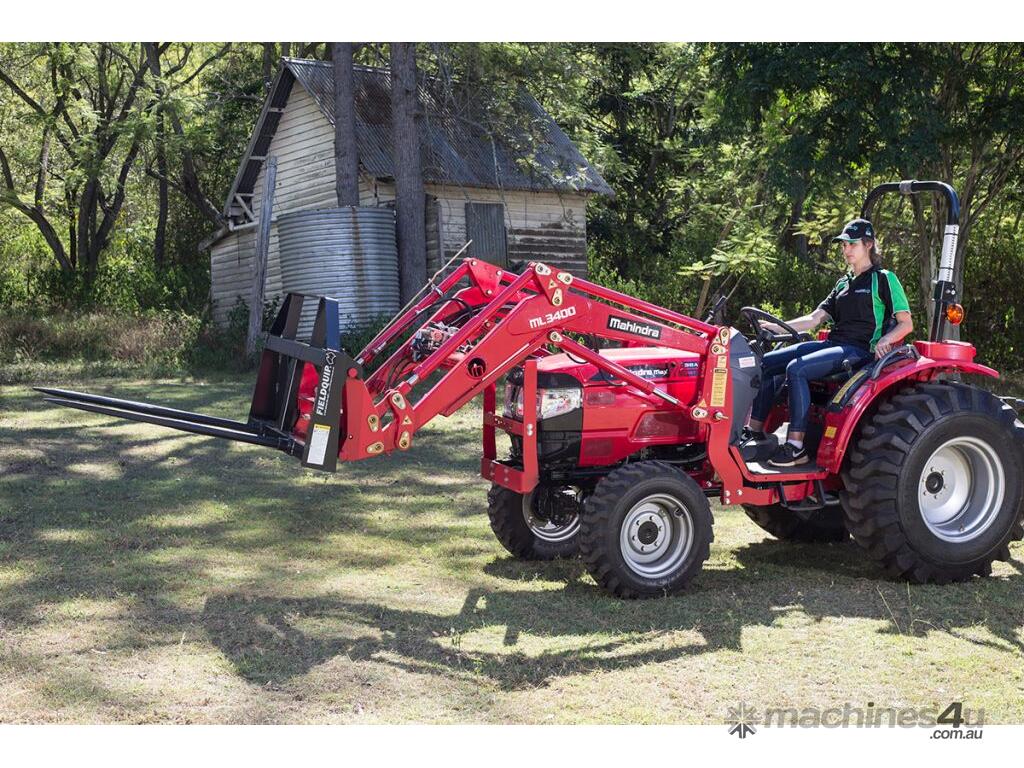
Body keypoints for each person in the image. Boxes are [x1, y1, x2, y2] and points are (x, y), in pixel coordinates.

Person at [742, 218, 913, 467]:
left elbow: (905, 324)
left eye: (851, 244)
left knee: (796, 369)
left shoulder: (884, 279)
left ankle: (796, 447)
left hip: (859, 350)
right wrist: (777, 326)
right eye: (843, 245)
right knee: (766, 362)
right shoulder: (843, 283)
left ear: (868, 245)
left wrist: (886, 339)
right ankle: (755, 432)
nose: (846, 250)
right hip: (834, 344)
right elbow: (815, 318)